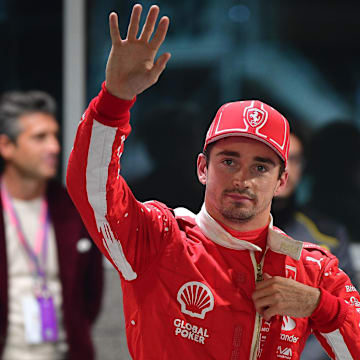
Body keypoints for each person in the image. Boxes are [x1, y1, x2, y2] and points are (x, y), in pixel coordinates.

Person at [66, 4, 360, 359]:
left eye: (261, 167)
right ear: (203, 168)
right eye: (229, 161)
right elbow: (92, 189)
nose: (242, 178)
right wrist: (114, 100)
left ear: (283, 181)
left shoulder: (312, 268)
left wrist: (320, 306)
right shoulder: (159, 239)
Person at [0, 90, 104, 360]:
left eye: (54, 136)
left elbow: (91, 294)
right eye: (39, 138)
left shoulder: (72, 209)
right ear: (6, 146)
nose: (54, 147)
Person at [272, 125, 357, 360]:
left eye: (294, 160)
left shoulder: (327, 236)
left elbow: (346, 317)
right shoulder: (226, 224)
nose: (285, 168)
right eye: (277, 157)